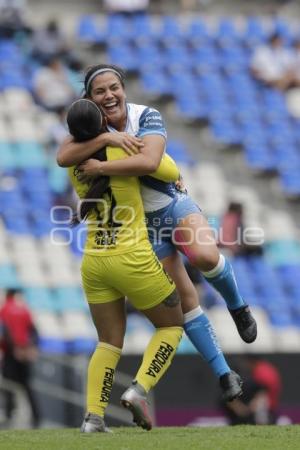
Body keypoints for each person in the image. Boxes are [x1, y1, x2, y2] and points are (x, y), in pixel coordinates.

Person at [57, 64, 253, 402]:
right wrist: (106, 138)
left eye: (114, 87)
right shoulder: (88, 130)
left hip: (171, 205)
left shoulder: (146, 115)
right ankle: (224, 374)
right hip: (141, 227)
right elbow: (63, 156)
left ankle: (237, 305)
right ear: (89, 98)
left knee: (206, 256)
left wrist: (102, 165)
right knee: (186, 301)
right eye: (100, 91)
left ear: (124, 89)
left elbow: (150, 162)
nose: (109, 95)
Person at [64, 98, 183, 433]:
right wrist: (120, 138)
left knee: (108, 342)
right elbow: (168, 170)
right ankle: (139, 388)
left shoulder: (74, 161)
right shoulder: (127, 148)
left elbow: (65, 153)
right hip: (132, 257)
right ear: (103, 120)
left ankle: (93, 418)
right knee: (171, 327)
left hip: (94, 261)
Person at [0, 289, 40, 427]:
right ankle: (37, 416)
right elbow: (34, 331)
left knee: (9, 385)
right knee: (27, 385)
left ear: (7, 296)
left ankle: (9, 415)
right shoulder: (24, 309)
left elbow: (5, 332)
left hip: (12, 354)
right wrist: (32, 348)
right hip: (25, 354)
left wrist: (15, 349)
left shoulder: (4, 309)